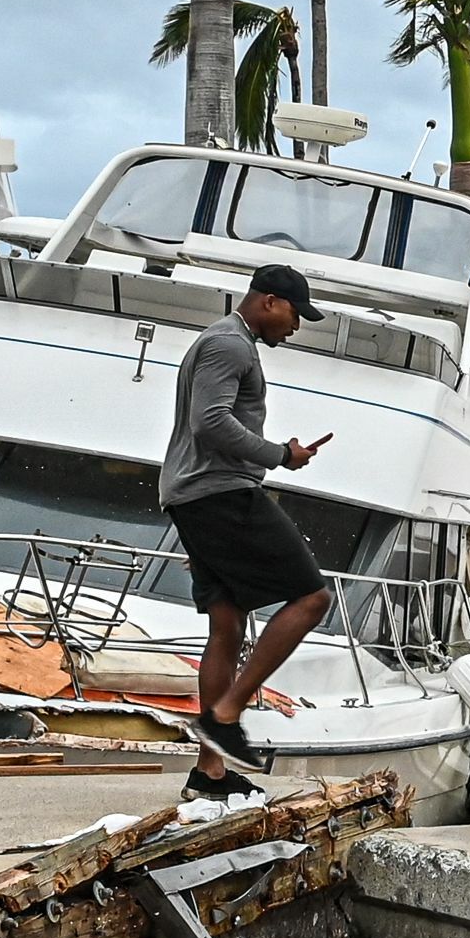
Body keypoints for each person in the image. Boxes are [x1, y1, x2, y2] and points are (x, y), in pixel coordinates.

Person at [159, 261, 335, 803]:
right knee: (312, 597)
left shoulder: (223, 342)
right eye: (294, 314)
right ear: (267, 302)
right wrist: (280, 455)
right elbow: (209, 422)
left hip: (195, 496)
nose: (296, 326)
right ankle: (227, 714)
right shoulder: (230, 345)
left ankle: (208, 774)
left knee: (228, 622)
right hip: (220, 492)